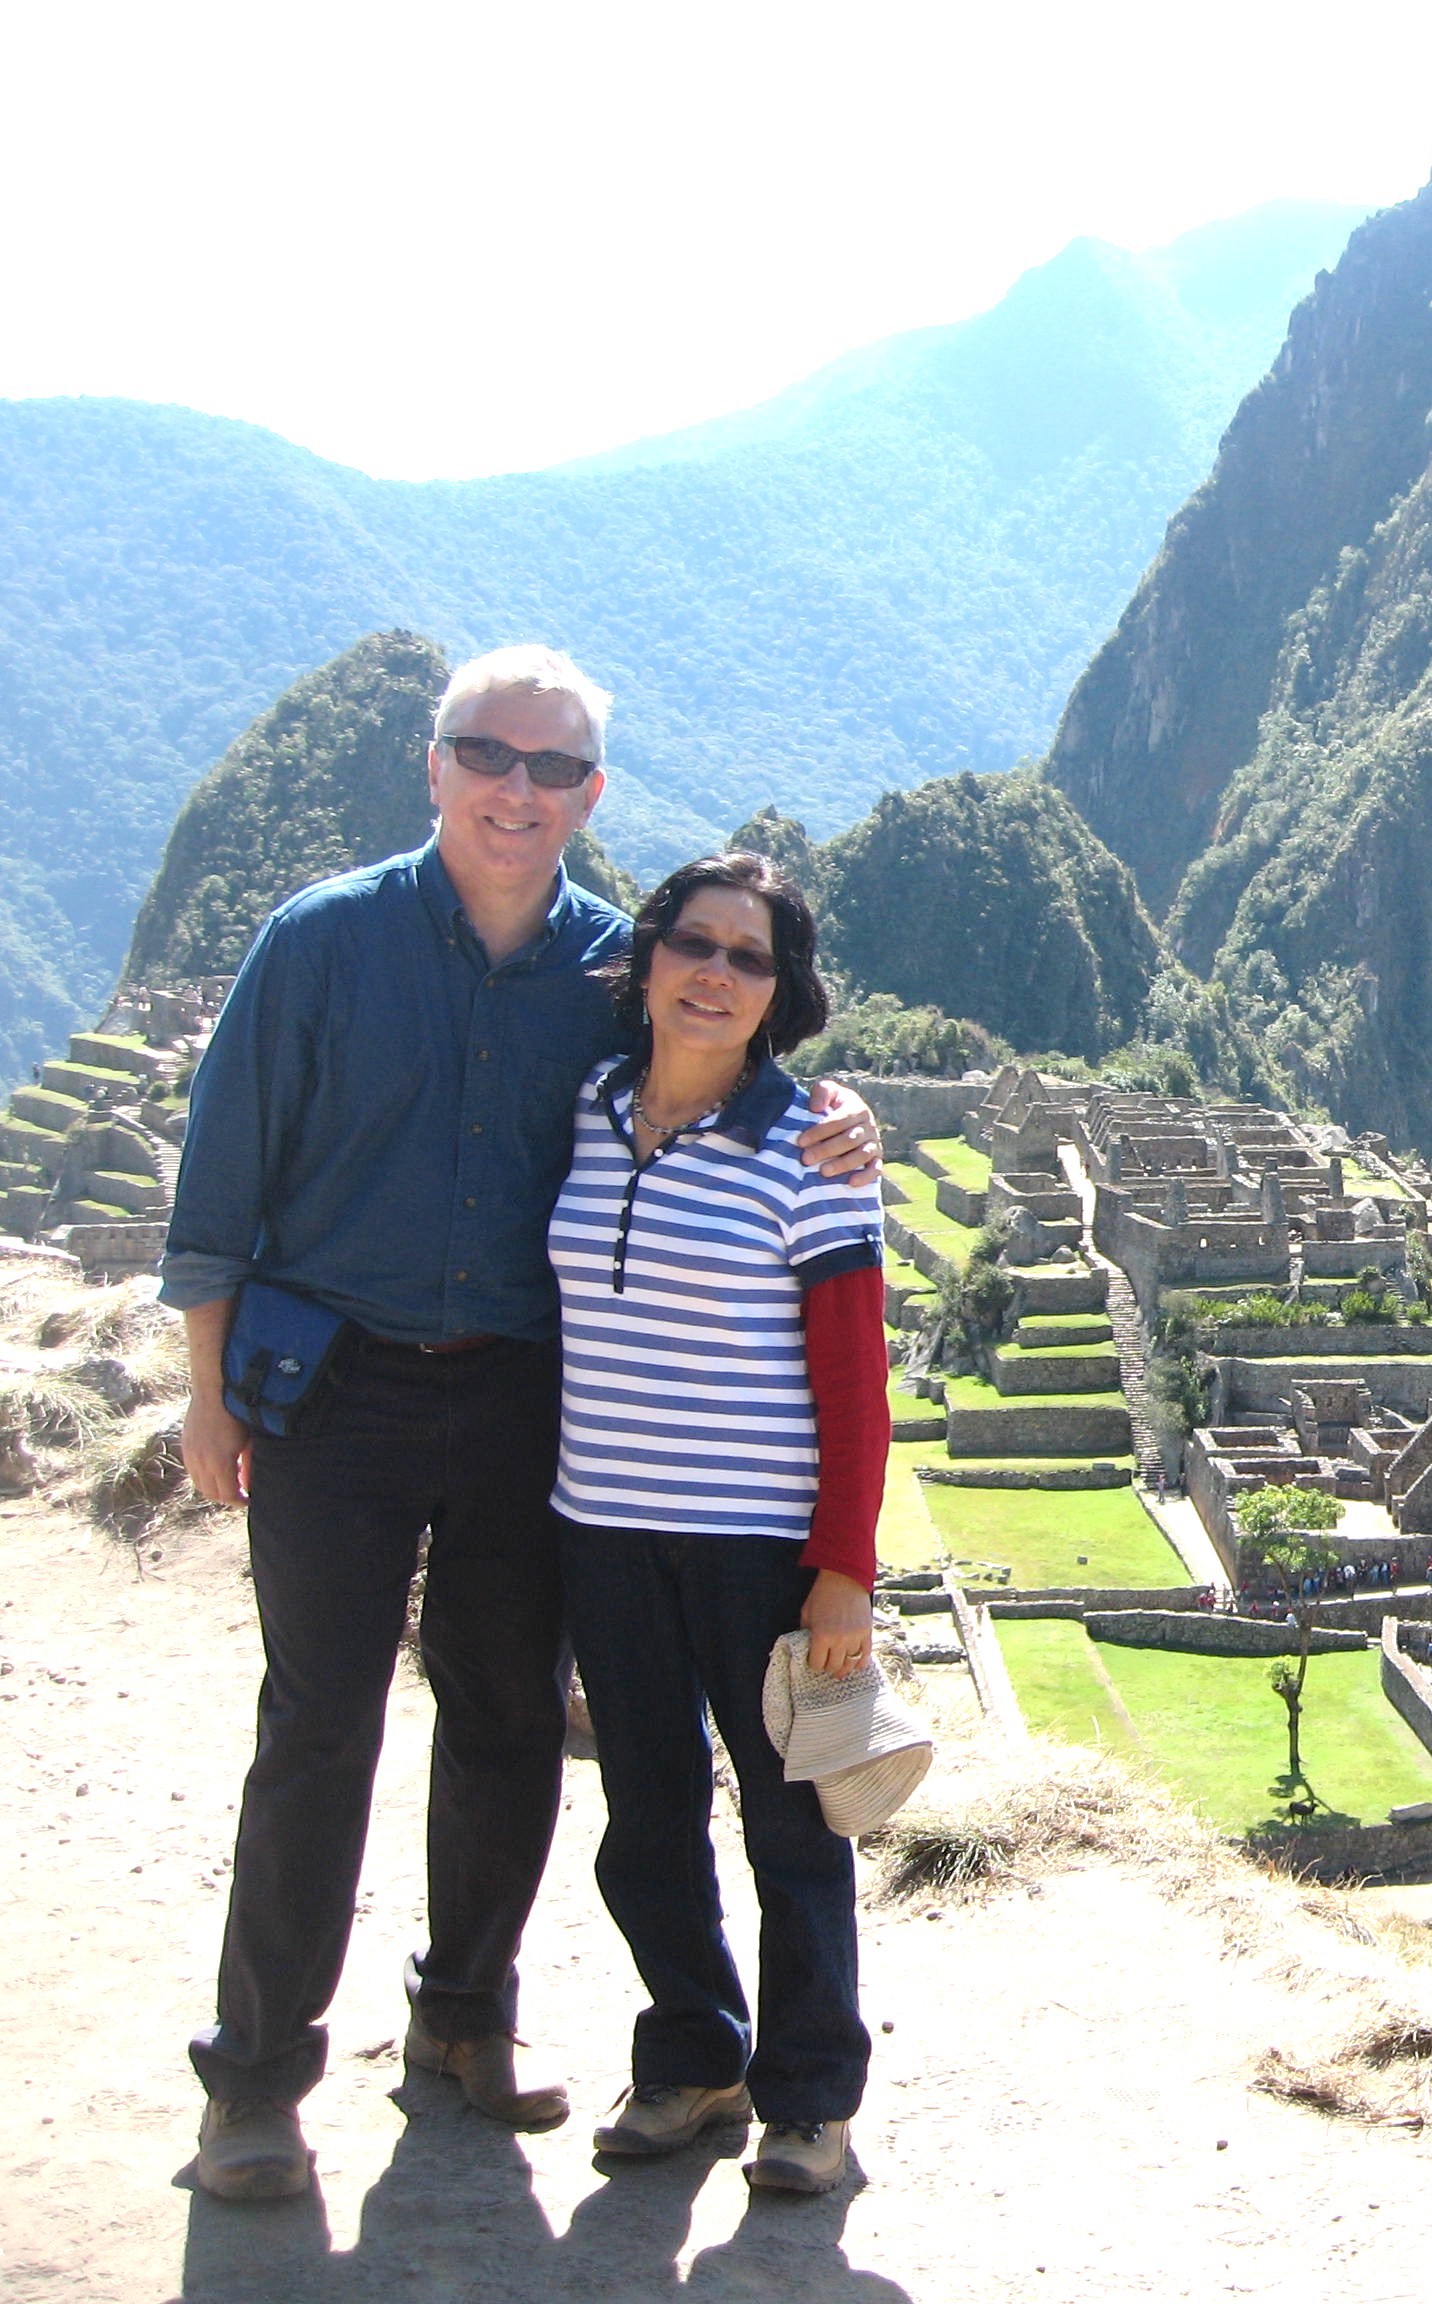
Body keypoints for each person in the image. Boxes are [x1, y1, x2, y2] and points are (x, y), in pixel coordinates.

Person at [162, 647, 881, 2203]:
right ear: (435, 764)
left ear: (590, 795)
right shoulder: (322, 941)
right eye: (488, 754)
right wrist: (205, 1393)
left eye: (553, 768)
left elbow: (731, 1068)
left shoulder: (616, 968)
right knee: (319, 1724)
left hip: (518, 1403)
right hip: (334, 1389)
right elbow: (220, 1180)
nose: (517, 789)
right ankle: (258, 2082)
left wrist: (841, 1117)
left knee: (504, 1717)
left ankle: (463, 2020)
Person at [550, 852, 888, 2198]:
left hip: (756, 1546)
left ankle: (811, 2099)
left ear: (779, 993)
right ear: (647, 961)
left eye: (751, 957)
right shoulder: (584, 1108)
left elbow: (855, 1384)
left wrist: (843, 1570)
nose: (716, 974)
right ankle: (693, 2056)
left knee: (792, 1829)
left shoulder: (814, 1150)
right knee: (645, 1814)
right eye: (696, 943)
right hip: (601, 1525)